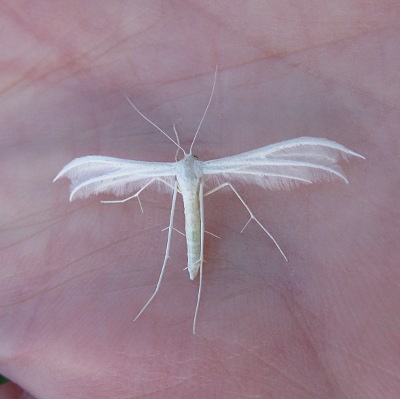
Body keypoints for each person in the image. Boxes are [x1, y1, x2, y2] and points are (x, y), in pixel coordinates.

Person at [0, 2, 398, 398]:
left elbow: (106, 175)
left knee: (183, 217)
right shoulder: (204, 171)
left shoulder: (170, 172)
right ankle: (175, 279)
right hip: (202, 187)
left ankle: (169, 282)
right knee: (198, 213)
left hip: (173, 189)